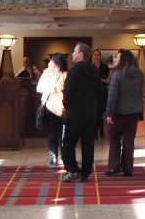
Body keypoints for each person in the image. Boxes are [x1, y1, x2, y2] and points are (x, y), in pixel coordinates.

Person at [61, 42, 101, 182]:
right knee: (88, 143)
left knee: (68, 141)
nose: (72, 54)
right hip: (90, 112)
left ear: (80, 54)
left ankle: (72, 169)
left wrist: (66, 106)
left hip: (75, 112)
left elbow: (68, 92)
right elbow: (99, 93)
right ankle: (85, 172)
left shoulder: (74, 71)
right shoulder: (95, 71)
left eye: (74, 51)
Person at [105, 49, 145, 177]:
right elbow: (140, 94)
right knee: (129, 140)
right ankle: (128, 169)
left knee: (114, 137)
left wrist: (109, 113)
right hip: (135, 111)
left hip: (120, 112)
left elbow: (112, 96)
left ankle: (114, 166)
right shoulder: (139, 74)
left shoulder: (117, 74)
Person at [36, 53, 67, 166]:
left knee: (52, 132)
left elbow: (39, 88)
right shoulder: (66, 74)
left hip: (49, 107)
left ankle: (53, 156)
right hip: (63, 108)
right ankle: (65, 155)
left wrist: (49, 88)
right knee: (63, 133)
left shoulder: (46, 73)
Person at [91, 50, 110, 139]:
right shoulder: (91, 67)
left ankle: (101, 130)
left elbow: (107, 80)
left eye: (98, 55)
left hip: (102, 92)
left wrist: (100, 79)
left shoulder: (105, 67)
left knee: (100, 113)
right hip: (93, 93)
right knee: (95, 113)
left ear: (100, 56)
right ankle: (94, 132)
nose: (96, 56)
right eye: (95, 55)